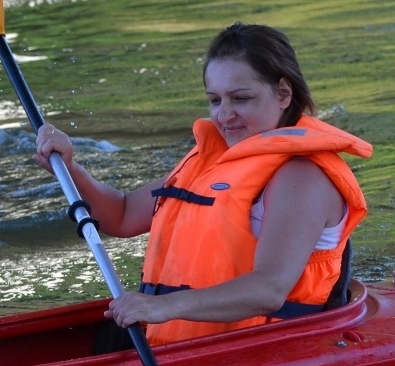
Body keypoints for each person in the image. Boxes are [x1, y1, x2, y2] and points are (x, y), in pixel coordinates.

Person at [35, 22, 371, 345]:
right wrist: (70, 168)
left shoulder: (302, 177)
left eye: (240, 99)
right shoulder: (211, 161)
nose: (225, 115)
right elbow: (122, 215)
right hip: (175, 348)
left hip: (260, 353)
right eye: (215, 100)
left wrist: (161, 307)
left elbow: (269, 289)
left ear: (283, 93)